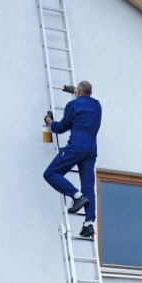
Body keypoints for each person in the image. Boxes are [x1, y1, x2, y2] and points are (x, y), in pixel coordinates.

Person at [43, 80, 102, 239]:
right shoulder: (97, 106)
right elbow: (84, 96)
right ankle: (88, 224)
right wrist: (75, 90)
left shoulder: (73, 106)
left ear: (78, 93)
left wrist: (49, 122)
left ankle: (76, 196)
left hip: (77, 145)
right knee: (88, 187)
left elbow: (60, 128)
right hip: (91, 148)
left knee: (50, 173)